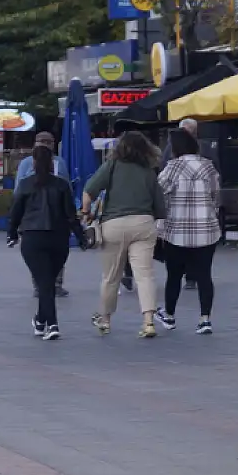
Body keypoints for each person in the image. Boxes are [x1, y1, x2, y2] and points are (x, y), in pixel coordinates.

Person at [82, 130, 166, 338]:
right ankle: (148, 322)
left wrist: (86, 213)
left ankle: (105, 320)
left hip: (114, 225)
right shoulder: (149, 170)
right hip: (143, 224)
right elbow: (160, 206)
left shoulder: (111, 166)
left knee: (111, 277)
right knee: (145, 275)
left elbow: (88, 192)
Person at [8, 146, 87, 340]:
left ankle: (51, 323)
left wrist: (12, 234)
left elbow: (15, 212)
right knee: (48, 281)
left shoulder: (25, 185)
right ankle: (41, 320)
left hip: (33, 237)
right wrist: (81, 237)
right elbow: (70, 215)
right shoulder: (61, 185)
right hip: (58, 238)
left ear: (33, 162)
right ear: (52, 162)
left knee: (44, 282)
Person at [155, 128, 222, 335]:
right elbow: (216, 196)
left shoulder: (172, 168)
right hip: (206, 230)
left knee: (174, 274)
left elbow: (159, 194)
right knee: (204, 275)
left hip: (177, 230)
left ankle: (170, 315)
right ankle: (205, 319)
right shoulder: (208, 167)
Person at [17, 131, 73, 298]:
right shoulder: (26, 163)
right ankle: (39, 284)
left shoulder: (60, 162)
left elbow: (67, 186)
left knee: (57, 250)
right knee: (36, 253)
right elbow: (19, 188)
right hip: (33, 214)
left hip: (56, 213)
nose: (44, 144)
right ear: (35, 143)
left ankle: (56, 283)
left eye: (48, 141)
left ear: (53, 144)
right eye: (41, 141)